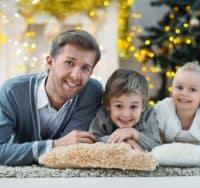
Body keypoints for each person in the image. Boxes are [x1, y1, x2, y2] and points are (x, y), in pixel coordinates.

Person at [0, 30, 103, 165]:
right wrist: (55, 145)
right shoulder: (13, 91)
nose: (76, 76)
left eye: (85, 68)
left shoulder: (91, 91)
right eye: (69, 63)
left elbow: (71, 149)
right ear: (50, 62)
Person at [154, 62, 200, 154]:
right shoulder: (164, 109)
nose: (184, 93)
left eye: (192, 89)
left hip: (198, 156)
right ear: (172, 89)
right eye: (179, 87)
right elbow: (156, 138)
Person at [89, 69, 161, 151]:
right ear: (108, 104)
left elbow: (156, 146)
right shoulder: (103, 114)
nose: (126, 114)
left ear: (143, 105)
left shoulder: (149, 114)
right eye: (119, 106)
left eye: (133, 106)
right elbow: (92, 140)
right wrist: (123, 141)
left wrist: (133, 133)